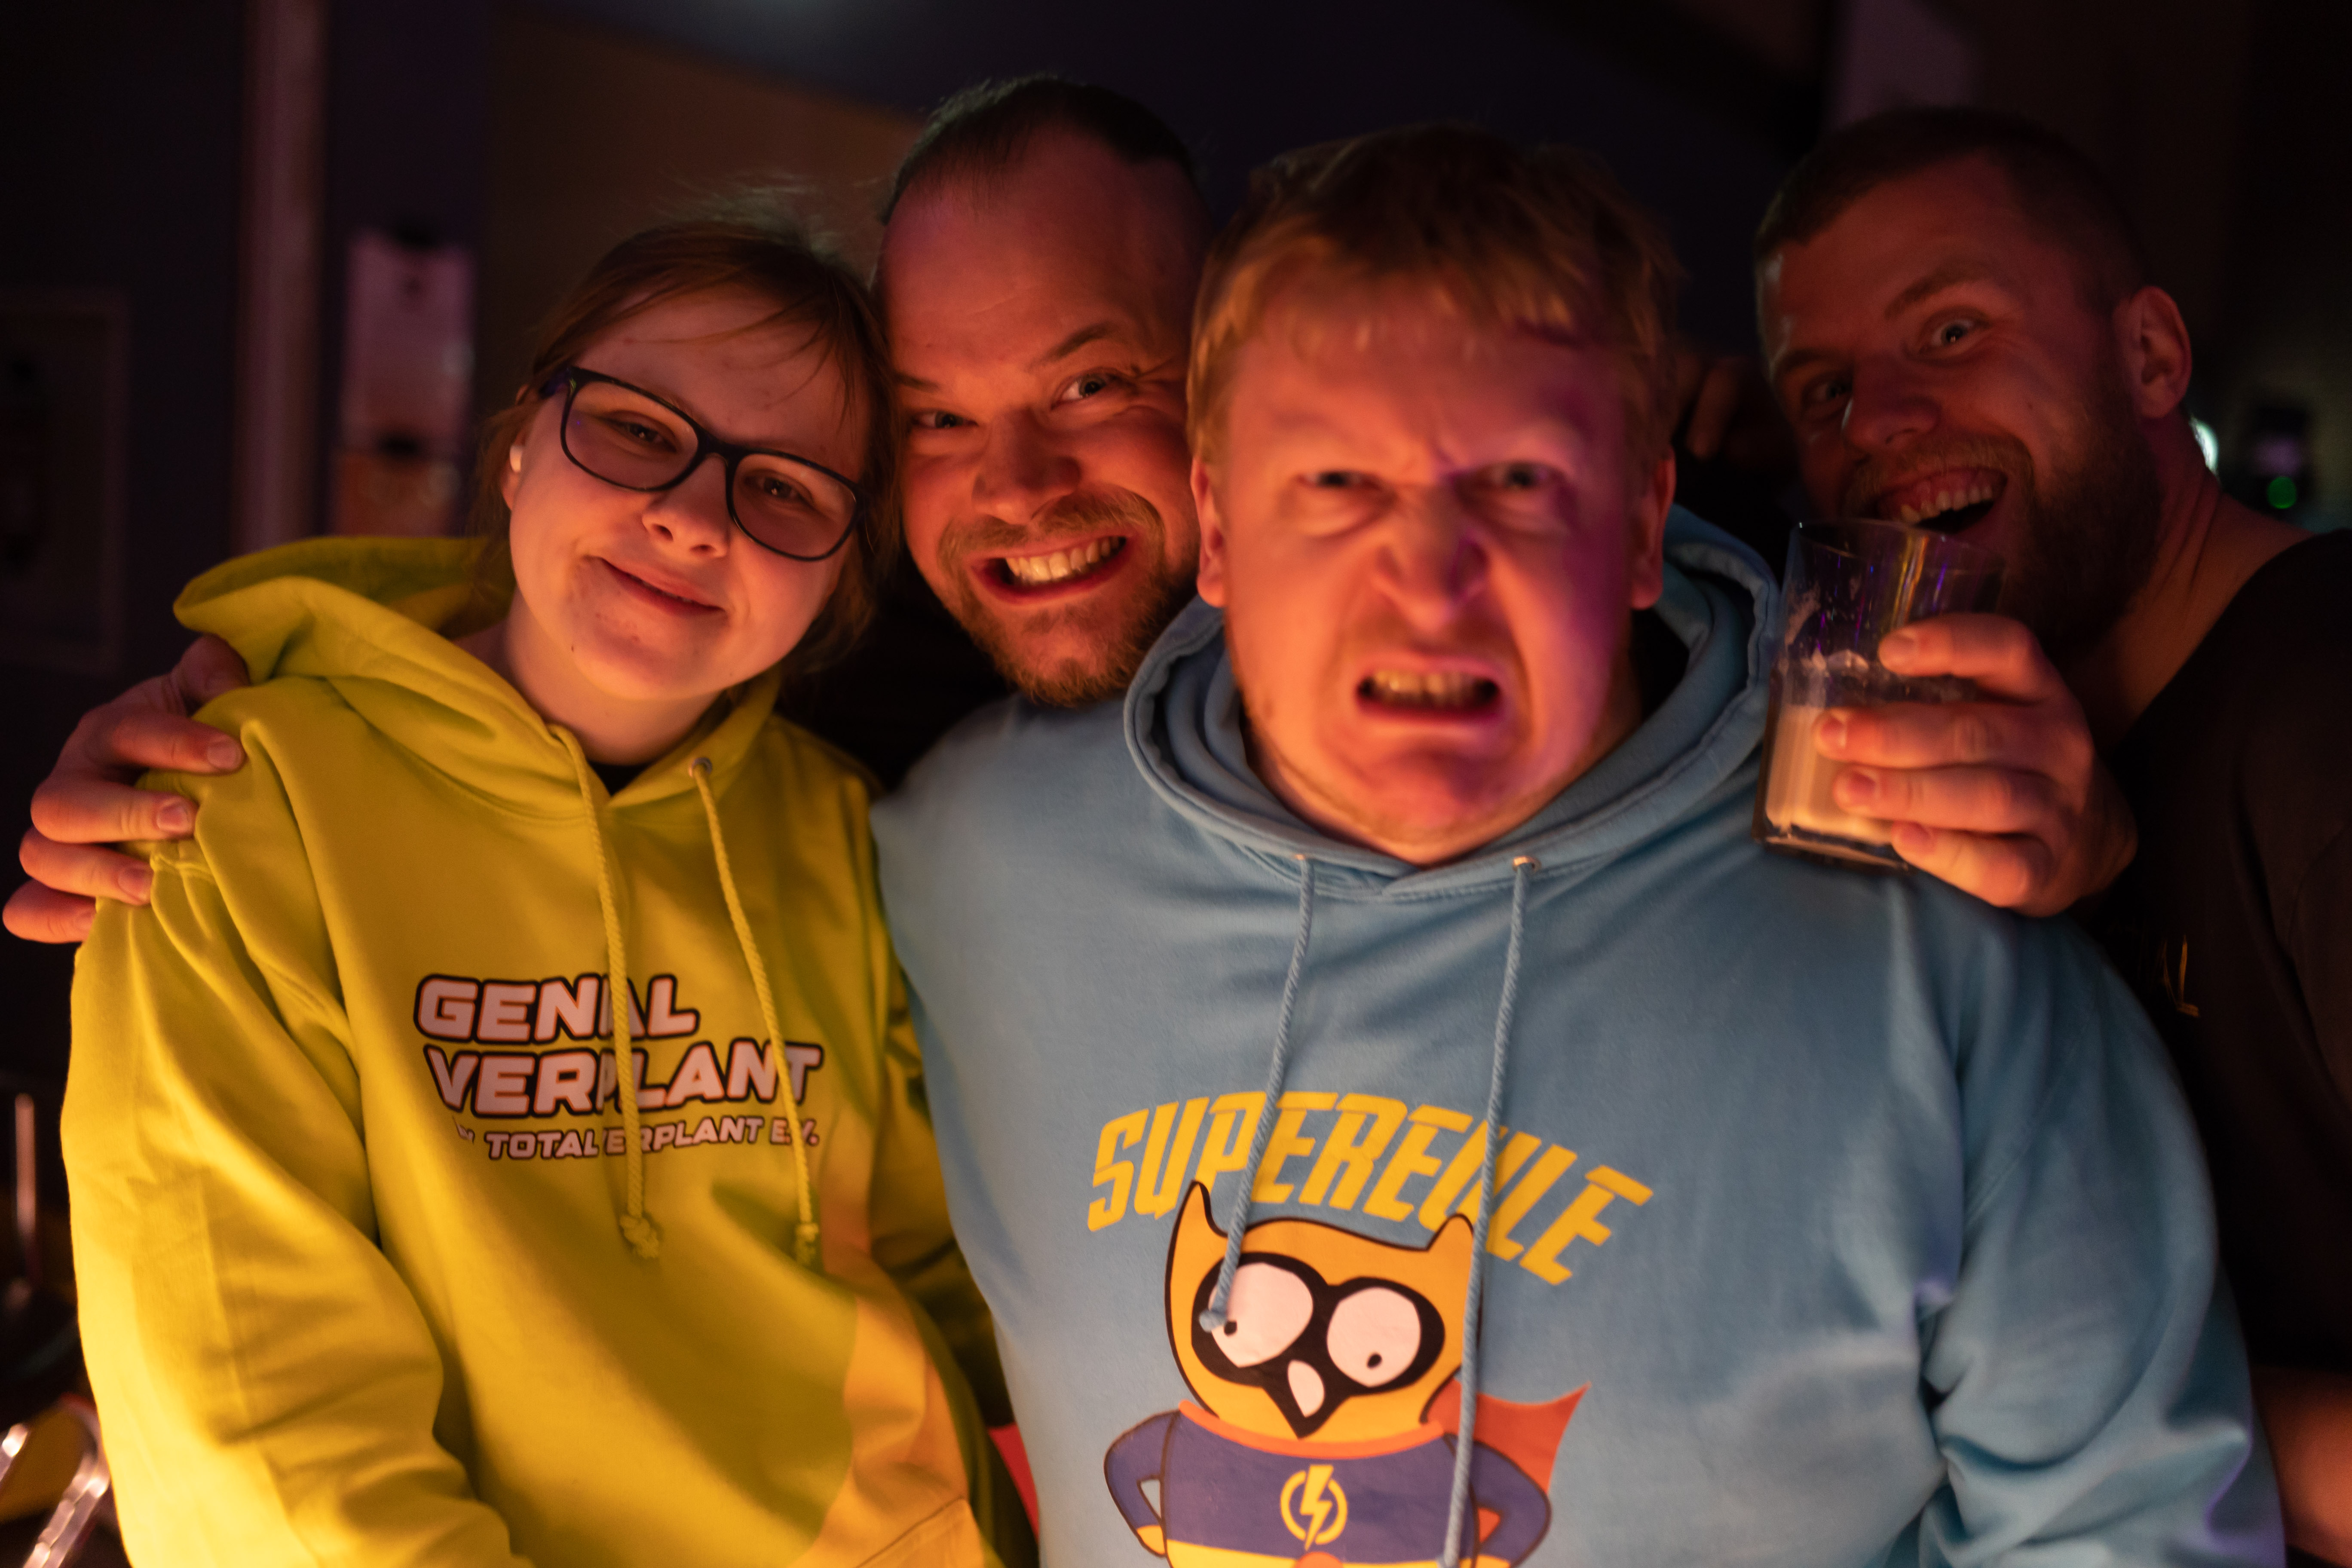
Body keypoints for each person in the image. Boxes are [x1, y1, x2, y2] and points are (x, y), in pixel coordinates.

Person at [871, 123, 2278, 1566]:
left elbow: (2127, 1529)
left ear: (1646, 525)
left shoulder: (1942, 952)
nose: (1428, 583)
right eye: (1335, 486)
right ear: (1218, 527)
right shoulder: (969, 858)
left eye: (1520, 485)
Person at [8, 79, 2125, 945]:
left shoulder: (1664, 639)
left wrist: (2091, 842)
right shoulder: (867, 704)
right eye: (937, 418)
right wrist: (268, 697)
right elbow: (564, 668)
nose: (1015, 492)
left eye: (1094, 388)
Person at [64, 213, 1029, 1566]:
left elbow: (966, 1305)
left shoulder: (847, 831)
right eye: (636, 428)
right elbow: (254, 1424)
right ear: (522, 441)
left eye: (785, 490)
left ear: (841, 575)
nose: (691, 517)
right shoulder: (235, 808)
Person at [1752, 105, 2352, 1566]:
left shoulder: (2324, 716)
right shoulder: (1994, 756)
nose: (1878, 423)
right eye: (1823, 392)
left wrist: (2093, 1416)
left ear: (2149, 357)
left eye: (1951, 333)